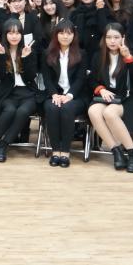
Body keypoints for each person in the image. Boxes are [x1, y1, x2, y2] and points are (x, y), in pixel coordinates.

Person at [88, 23, 133, 173]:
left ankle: (132, 153)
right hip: (107, 96)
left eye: (116, 37)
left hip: (128, 98)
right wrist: (101, 90)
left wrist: (128, 57)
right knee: (93, 111)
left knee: (109, 113)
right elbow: (92, 80)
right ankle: (116, 151)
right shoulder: (98, 56)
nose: (112, 41)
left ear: (123, 38)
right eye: (108, 37)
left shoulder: (132, 54)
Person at [0, 19, 38, 163]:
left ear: (21, 34)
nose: (14, 36)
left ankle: (4, 145)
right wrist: (1, 56)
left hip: (28, 93)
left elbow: (31, 76)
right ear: (5, 35)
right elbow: (0, 76)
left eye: (17, 33)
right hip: (8, 93)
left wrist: (26, 57)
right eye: (10, 33)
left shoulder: (28, 50)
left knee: (22, 112)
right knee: (9, 110)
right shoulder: (0, 50)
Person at [41, 20, 88, 167]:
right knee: (52, 107)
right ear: (56, 35)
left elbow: (81, 79)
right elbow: (47, 78)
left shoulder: (81, 54)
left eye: (69, 33)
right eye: (61, 33)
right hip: (55, 94)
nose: (65, 36)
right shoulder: (47, 53)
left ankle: (66, 152)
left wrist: (69, 95)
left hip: (76, 95)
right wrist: (54, 94)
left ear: (74, 35)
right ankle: (55, 151)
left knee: (67, 108)